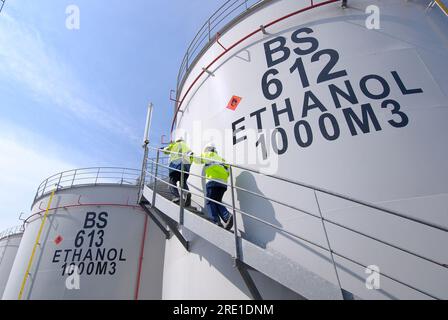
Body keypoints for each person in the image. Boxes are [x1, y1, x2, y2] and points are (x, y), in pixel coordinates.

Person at [194, 143, 233, 230]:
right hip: (223, 183)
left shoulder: (208, 154)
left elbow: (197, 160)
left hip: (213, 181)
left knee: (209, 201)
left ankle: (216, 221)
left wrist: (191, 155)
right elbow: (228, 171)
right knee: (217, 201)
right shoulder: (221, 159)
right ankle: (227, 217)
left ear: (207, 149)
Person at [162, 136, 192, 206]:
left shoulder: (174, 145)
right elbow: (191, 157)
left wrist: (163, 149)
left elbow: (166, 151)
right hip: (185, 166)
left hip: (176, 165)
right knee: (183, 182)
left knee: (172, 181)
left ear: (177, 140)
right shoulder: (187, 147)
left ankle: (176, 197)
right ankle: (186, 193)